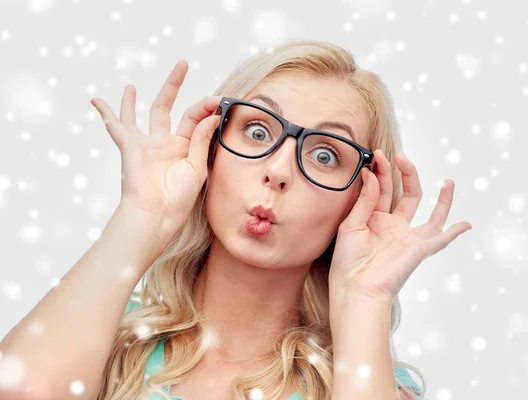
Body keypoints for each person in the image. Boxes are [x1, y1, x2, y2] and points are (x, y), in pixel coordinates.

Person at [1, 39, 471, 400]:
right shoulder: (105, 332)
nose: (279, 171)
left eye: (325, 154)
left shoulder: (362, 378)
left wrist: (366, 295)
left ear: (360, 199)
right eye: (258, 130)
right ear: (211, 147)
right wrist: (142, 215)